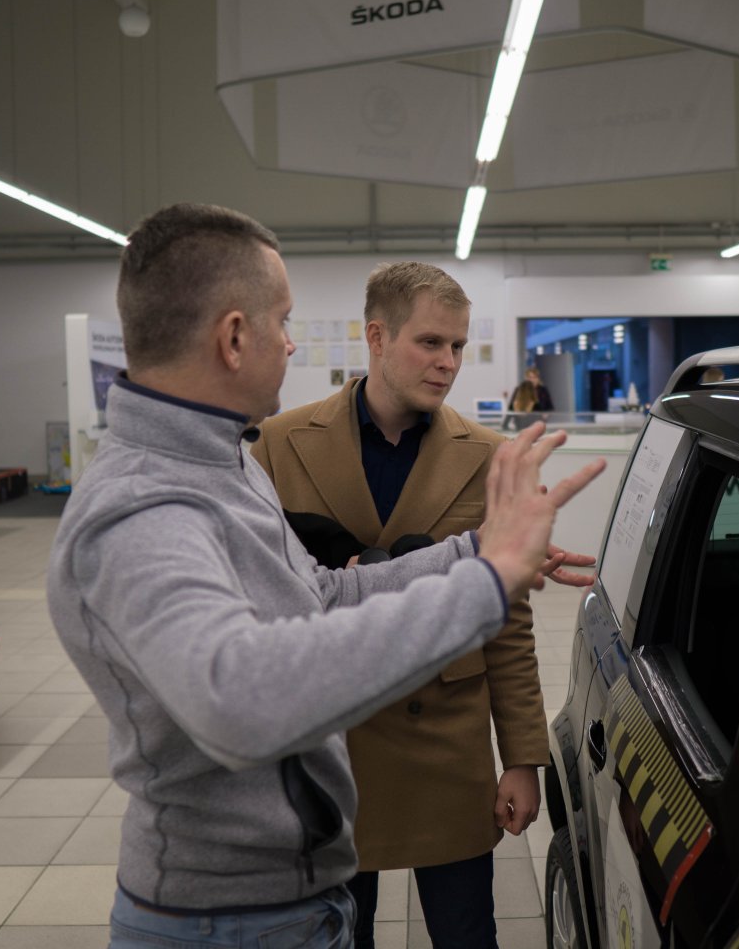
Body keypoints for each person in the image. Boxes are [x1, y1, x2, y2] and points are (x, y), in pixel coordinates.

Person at [45, 204, 605, 949]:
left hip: (288, 895)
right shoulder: (142, 506)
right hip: (227, 918)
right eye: (283, 321)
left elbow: (323, 592)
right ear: (235, 337)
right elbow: (237, 699)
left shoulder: (223, 467)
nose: (291, 340)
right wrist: (482, 580)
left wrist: (479, 555)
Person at [253, 262, 591, 948]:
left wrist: (521, 757)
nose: (448, 363)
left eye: (459, 347)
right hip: (333, 738)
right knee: (344, 931)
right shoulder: (279, 445)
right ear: (376, 336)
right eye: (430, 343)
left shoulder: (490, 456)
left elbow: (508, 622)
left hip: (446, 738)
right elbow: (259, 600)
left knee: (467, 932)